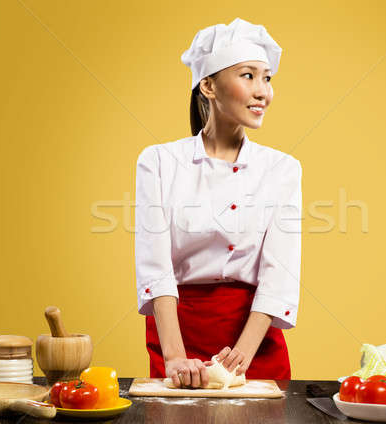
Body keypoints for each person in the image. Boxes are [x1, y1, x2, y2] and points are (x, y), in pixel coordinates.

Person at [134, 17, 302, 389]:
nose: (263, 92)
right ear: (207, 85)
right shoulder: (158, 162)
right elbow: (155, 264)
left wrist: (241, 355)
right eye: (248, 76)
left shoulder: (282, 169)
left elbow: (280, 270)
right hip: (177, 330)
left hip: (254, 336)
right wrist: (175, 356)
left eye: (267, 78)